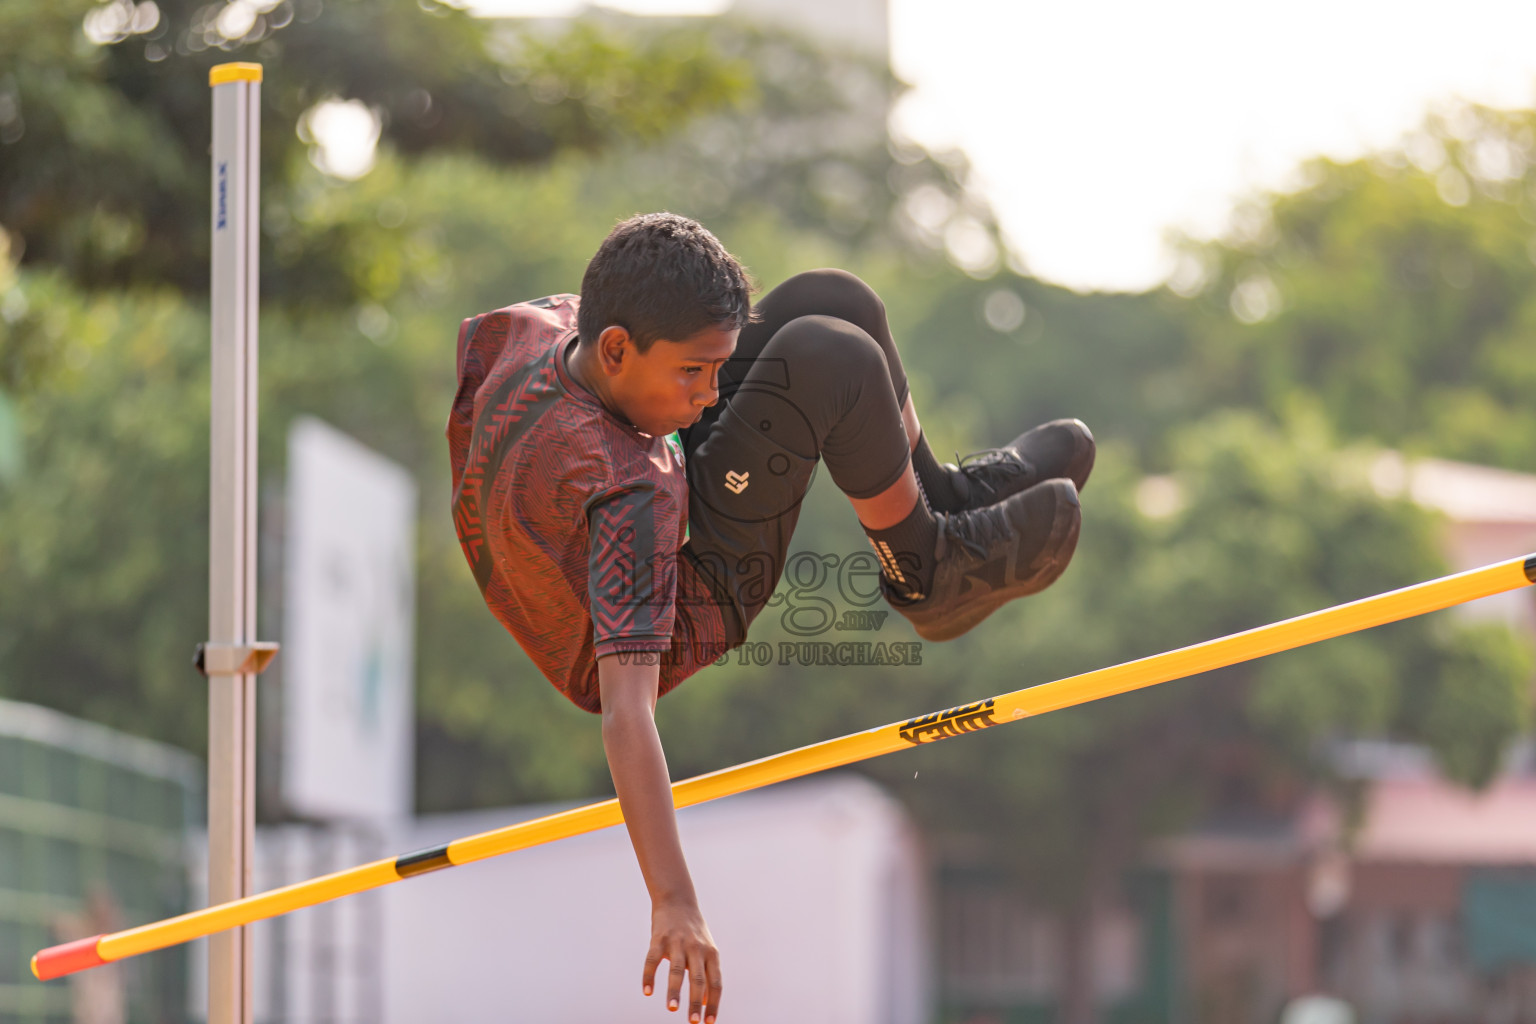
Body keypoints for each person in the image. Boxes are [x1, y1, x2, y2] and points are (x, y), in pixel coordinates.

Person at [446, 213, 1093, 1023]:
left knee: (832, 298)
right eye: (694, 373)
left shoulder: (542, 326)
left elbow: (477, 369)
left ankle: (939, 501)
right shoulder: (628, 493)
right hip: (689, 599)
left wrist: (509, 526)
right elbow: (622, 713)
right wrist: (674, 900)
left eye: (714, 369)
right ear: (616, 349)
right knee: (830, 361)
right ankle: (926, 572)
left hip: (595, 507)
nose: (710, 392)